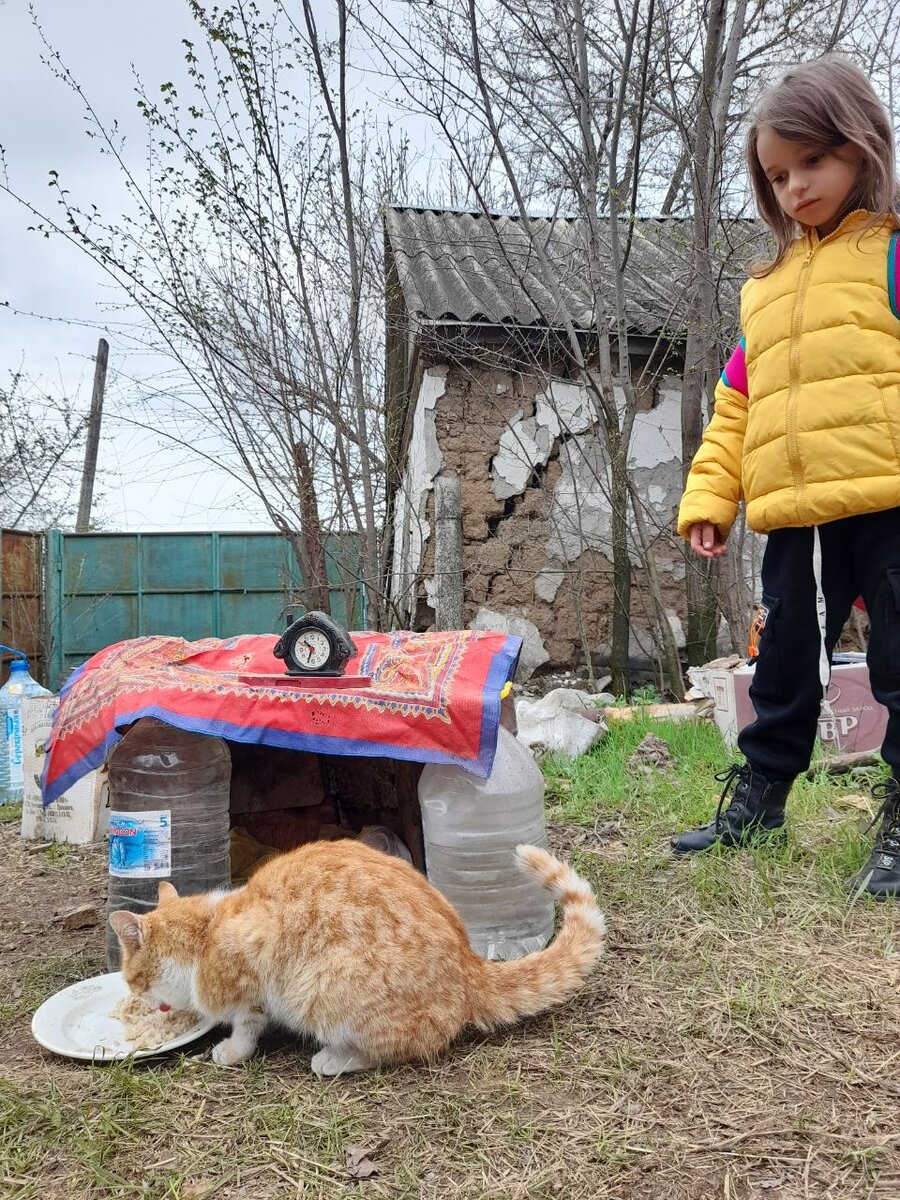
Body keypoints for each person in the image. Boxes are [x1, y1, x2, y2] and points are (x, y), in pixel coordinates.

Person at [671, 56, 900, 898]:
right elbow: (736, 406)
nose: (796, 185)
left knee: (899, 665)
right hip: (795, 523)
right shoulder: (761, 294)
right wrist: (711, 497)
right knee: (785, 667)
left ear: (862, 148)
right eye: (778, 173)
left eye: (813, 161)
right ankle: (758, 803)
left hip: (888, 507)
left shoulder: (893, 260)